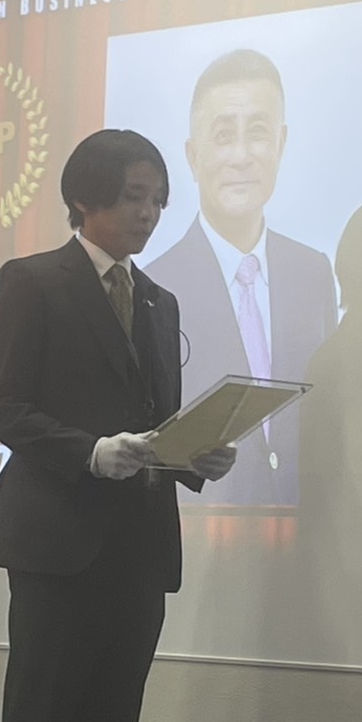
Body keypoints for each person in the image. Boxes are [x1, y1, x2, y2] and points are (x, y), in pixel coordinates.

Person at [0, 129, 236, 722]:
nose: (148, 213)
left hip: (137, 557)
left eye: (158, 199)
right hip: (58, 552)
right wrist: (88, 453)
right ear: (83, 197)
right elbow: (1, 407)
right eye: (133, 197)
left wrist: (196, 457)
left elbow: (156, 426)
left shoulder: (158, 301)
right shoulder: (32, 282)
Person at [143, 48, 338, 506]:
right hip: (203, 529)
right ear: (193, 156)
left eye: (258, 133)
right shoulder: (155, 286)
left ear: (281, 144)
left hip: (306, 529)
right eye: (223, 135)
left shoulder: (313, 272)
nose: (242, 156)